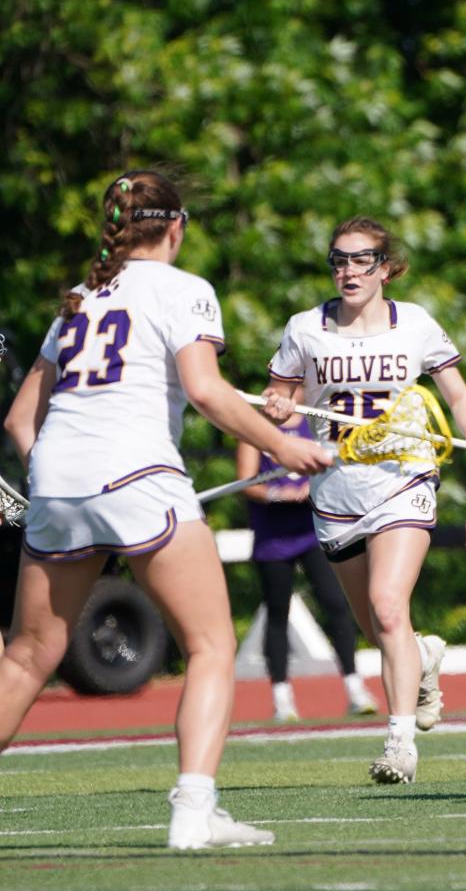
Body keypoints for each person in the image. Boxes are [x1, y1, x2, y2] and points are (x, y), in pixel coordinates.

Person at [0, 170, 333, 849]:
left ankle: (197, 809)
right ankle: (193, 810)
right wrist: (279, 447)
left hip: (60, 482)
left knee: (27, 656)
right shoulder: (185, 290)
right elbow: (206, 392)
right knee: (210, 644)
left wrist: (64, 483)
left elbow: (18, 421)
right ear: (175, 227)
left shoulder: (80, 296)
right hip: (139, 475)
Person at [261, 217, 466, 785]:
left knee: (388, 605)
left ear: (387, 267)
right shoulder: (305, 329)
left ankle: (399, 746)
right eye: (339, 260)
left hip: (404, 479)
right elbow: (281, 398)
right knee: (378, 627)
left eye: (362, 260)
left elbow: (457, 393)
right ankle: (424, 656)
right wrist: (277, 410)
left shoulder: (415, 323)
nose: (348, 271)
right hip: (338, 489)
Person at [235, 416, 379, 721]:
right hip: (272, 538)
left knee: (336, 603)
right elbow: (246, 481)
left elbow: (333, 463)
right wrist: (277, 494)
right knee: (277, 612)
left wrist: (309, 488)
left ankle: (355, 689)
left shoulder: (314, 419)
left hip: (311, 533)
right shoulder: (253, 424)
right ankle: (281, 700)